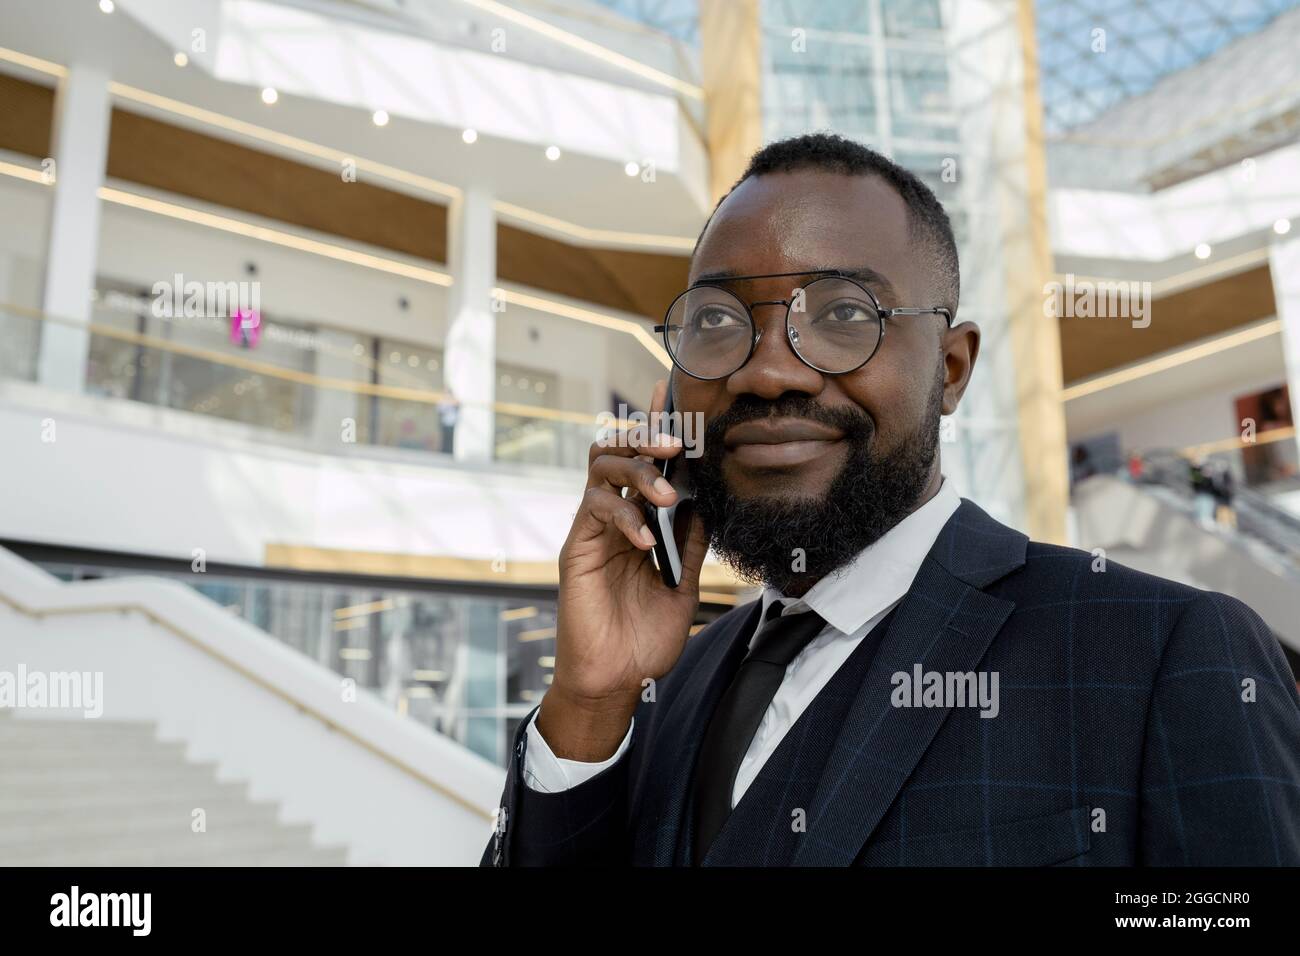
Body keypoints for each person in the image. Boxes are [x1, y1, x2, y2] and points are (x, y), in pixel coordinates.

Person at [483, 133, 1300, 867]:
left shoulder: (1160, 654)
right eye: (719, 320)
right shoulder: (659, 685)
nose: (767, 372)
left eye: (844, 314)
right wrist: (588, 706)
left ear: (949, 369)